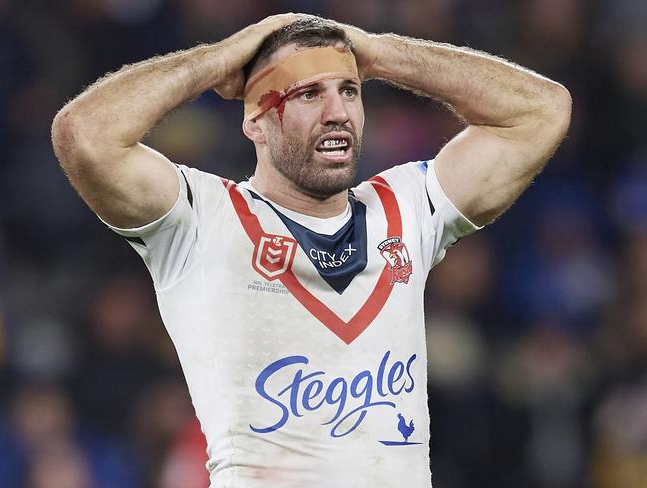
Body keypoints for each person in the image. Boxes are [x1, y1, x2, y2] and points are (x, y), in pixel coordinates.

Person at [51, 13, 571, 488]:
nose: (337, 111)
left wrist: (380, 53)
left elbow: (543, 111)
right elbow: (85, 135)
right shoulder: (201, 220)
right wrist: (219, 59)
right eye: (307, 95)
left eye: (349, 90)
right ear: (255, 120)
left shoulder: (407, 209)